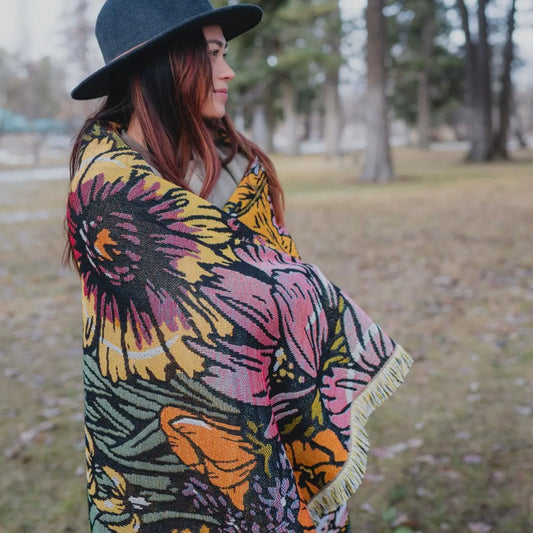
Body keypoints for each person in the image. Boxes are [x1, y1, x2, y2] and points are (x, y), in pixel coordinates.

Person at [67, 1, 412, 532]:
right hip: (160, 463)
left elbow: (264, 276)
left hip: (270, 410)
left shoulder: (230, 163)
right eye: (210, 55)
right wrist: (299, 290)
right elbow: (209, 313)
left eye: (224, 53)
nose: (227, 70)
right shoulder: (108, 189)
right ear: (162, 63)